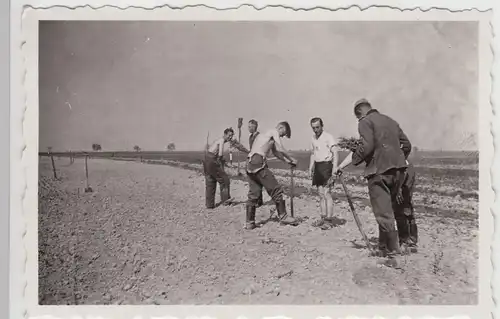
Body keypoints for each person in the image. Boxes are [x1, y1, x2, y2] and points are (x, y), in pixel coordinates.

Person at [336, 98, 412, 268]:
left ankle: (394, 256)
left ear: (359, 114)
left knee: (383, 212)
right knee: (388, 208)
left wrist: (356, 159)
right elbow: (407, 145)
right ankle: (383, 248)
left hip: (379, 171)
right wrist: (398, 160)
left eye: (357, 118)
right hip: (398, 172)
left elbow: (367, 146)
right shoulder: (391, 121)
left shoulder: (365, 121)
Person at [244, 121, 299, 230]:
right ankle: (283, 216)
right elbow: (280, 149)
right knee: (276, 189)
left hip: (250, 164)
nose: (282, 136)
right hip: (258, 162)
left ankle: (249, 222)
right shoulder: (274, 132)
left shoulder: (265, 135)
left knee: (254, 193)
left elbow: (276, 153)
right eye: (283, 133)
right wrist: (292, 159)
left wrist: (288, 162)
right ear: (281, 127)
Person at [204, 128, 249, 209]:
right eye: (229, 135)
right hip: (212, 160)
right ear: (224, 134)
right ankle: (226, 201)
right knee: (225, 180)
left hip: (206, 159)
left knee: (210, 180)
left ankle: (209, 205)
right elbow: (220, 154)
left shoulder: (218, 140)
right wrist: (224, 164)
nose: (230, 137)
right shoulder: (221, 140)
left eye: (231, 136)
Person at [308, 117, 339, 227]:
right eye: (313, 128)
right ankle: (323, 217)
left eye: (317, 127)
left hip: (327, 166)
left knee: (327, 193)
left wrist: (335, 168)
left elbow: (335, 152)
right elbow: (313, 153)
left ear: (322, 126)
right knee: (321, 194)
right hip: (318, 167)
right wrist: (310, 167)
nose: (315, 130)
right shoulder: (313, 138)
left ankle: (329, 220)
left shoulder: (328, 137)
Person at [248, 119, 264, 207]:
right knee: (254, 181)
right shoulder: (250, 137)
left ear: (255, 126)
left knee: (259, 181)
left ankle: (259, 200)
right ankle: (257, 200)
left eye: (250, 126)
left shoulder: (259, 136)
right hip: (252, 160)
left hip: (259, 160)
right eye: (248, 127)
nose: (249, 128)